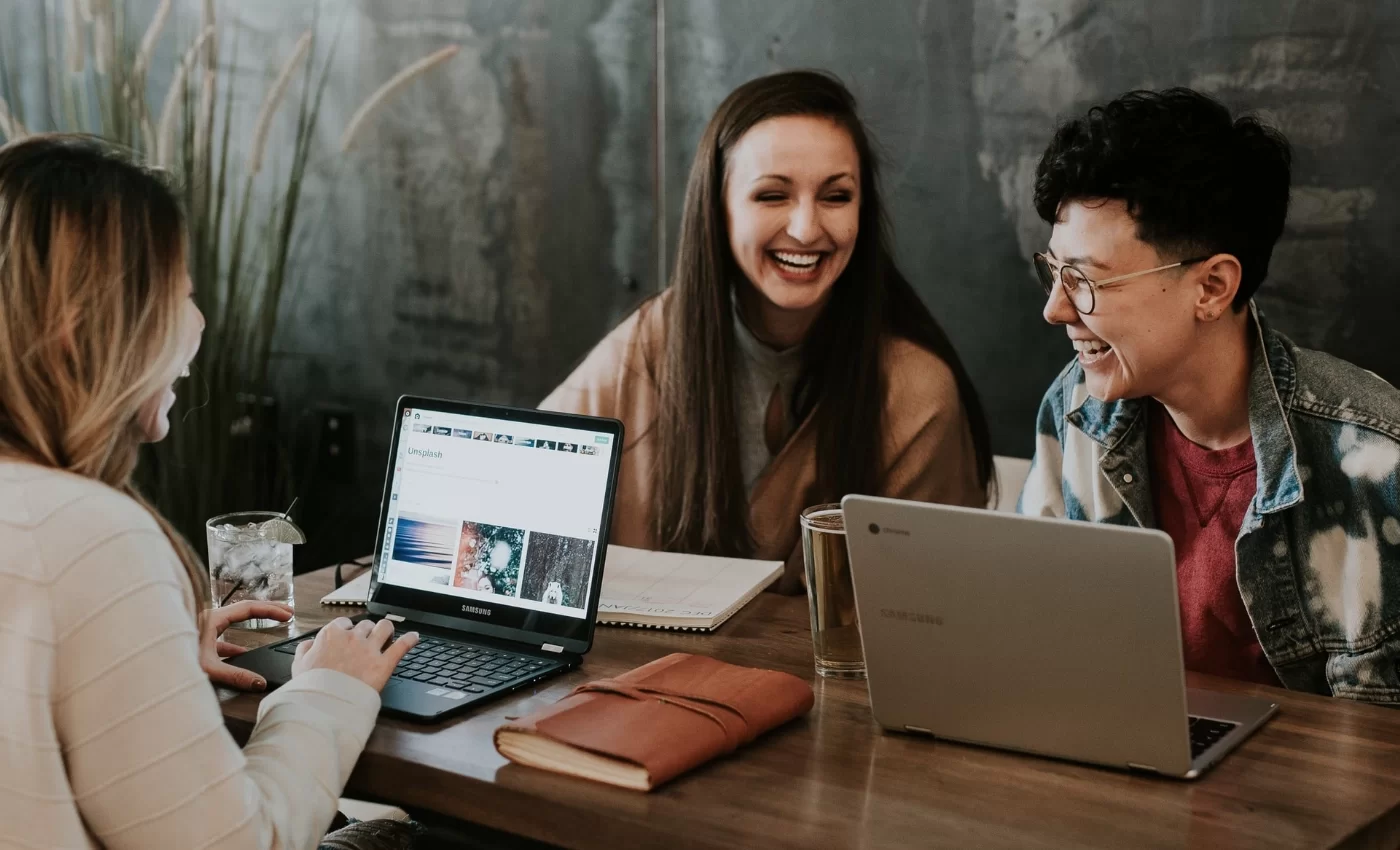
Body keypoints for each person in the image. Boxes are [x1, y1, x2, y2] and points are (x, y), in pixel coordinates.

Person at [0, 134, 420, 848]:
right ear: (81, 333)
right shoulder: (90, 535)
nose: (197, 326)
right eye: (180, 297)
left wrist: (146, 663)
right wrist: (328, 690)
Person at [543, 70, 992, 592]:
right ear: (719, 209)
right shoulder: (650, 343)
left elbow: (932, 613)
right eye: (772, 196)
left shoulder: (916, 393)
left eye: (836, 196)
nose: (806, 229)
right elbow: (523, 485)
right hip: (639, 672)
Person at [1018, 88, 1400, 703]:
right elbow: (1031, 636)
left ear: (1213, 287)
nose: (1055, 308)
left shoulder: (1376, 464)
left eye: (1085, 280)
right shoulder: (1076, 411)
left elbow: (1376, 752)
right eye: (1054, 271)